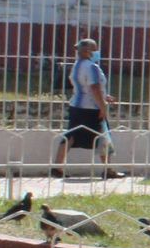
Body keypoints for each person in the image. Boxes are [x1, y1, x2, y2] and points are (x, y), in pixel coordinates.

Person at [51, 37, 125, 179]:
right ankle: (107, 169)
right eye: (95, 49)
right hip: (91, 108)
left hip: (77, 106)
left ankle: (57, 167)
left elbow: (85, 87)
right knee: (104, 136)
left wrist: (105, 95)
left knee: (70, 136)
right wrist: (103, 107)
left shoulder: (77, 65)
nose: (97, 52)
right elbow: (94, 88)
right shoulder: (92, 67)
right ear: (88, 51)